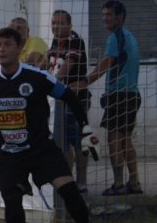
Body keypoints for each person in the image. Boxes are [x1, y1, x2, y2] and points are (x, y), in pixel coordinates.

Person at [0, 27, 94, 223]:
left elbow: (69, 96)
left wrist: (86, 129)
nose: (1, 49)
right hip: (9, 156)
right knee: (12, 203)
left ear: (20, 48)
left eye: (7, 44)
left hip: (42, 149)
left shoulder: (37, 77)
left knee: (70, 193)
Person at [73, 0, 142, 196]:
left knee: (114, 139)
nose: (104, 19)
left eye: (108, 15)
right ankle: (134, 182)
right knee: (126, 140)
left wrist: (85, 82)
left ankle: (118, 184)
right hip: (132, 95)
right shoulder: (130, 36)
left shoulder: (116, 37)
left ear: (119, 17)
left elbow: (106, 63)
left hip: (119, 96)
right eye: (103, 15)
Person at [48, 10, 92, 193]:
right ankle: (68, 181)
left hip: (76, 101)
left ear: (70, 25)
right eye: (53, 23)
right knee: (62, 143)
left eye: (60, 23)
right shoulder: (55, 42)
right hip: (58, 101)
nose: (56, 27)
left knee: (79, 142)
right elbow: (49, 63)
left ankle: (81, 183)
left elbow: (66, 67)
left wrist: (51, 82)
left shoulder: (75, 41)